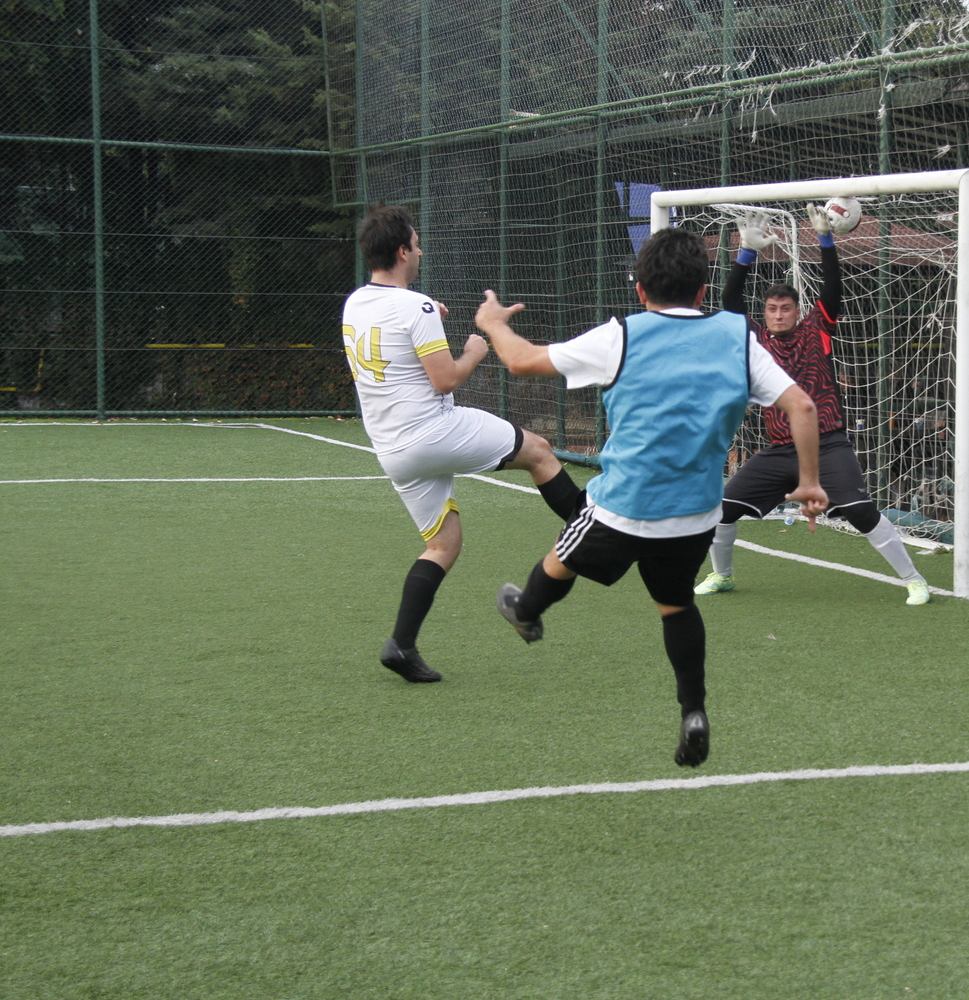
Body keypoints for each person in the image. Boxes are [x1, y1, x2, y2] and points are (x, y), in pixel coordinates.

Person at [474, 226, 828, 767]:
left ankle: (525, 612)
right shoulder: (737, 335)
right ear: (703, 292)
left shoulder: (621, 335)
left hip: (624, 506)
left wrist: (494, 324)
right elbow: (802, 406)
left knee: (562, 556)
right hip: (695, 514)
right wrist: (809, 481)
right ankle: (694, 712)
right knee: (676, 604)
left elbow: (521, 360)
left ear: (640, 290)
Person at [342, 204, 583, 684]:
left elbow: (394, 336)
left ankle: (401, 644)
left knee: (443, 544)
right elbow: (445, 379)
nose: (421, 252)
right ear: (402, 251)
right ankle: (592, 528)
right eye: (416, 245)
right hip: (432, 430)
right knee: (539, 451)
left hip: (391, 449)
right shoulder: (415, 306)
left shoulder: (356, 302)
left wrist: (427, 315)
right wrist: (474, 350)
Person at [692, 205, 930, 606]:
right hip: (779, 450)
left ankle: (914, 579)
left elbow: (832, 289)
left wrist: (825, 239)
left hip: (828, 445)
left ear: (797, 312)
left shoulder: (816, 330)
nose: (778, 314)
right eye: (772, 309)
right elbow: (731, 303)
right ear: (764, 314)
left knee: (860, 511)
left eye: (786, 308)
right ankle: (722, 575)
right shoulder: (755, 340)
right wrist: (745, 254)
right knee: (723, 509)